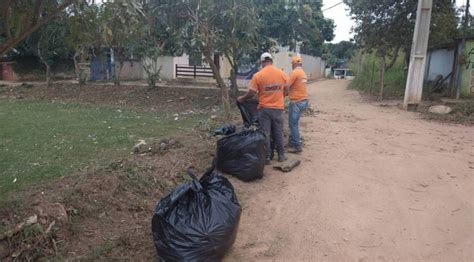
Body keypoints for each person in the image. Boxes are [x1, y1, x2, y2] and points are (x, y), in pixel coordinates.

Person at [237, 52, 288, 164]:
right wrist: (279, 97)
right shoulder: (282, 74)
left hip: (264, 109)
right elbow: (287, 91)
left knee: (266, 133)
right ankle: (281, 155)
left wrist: (242, 98)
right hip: (278, 109)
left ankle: (267, 157)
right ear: (271, 61)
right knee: (279, 132)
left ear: (262, 62)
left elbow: (251, 93)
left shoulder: (258, 75)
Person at [286, 56, 309, 154]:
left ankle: (296, 146)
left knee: (292, 124)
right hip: (303, 100)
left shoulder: (294, 72)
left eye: (292, 64)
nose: (292, 66)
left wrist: (284, 93)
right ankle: (292, 142)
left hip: (296, 101)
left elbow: (286, 85)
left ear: (294, 63)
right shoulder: (303, 73)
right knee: (294, 123)